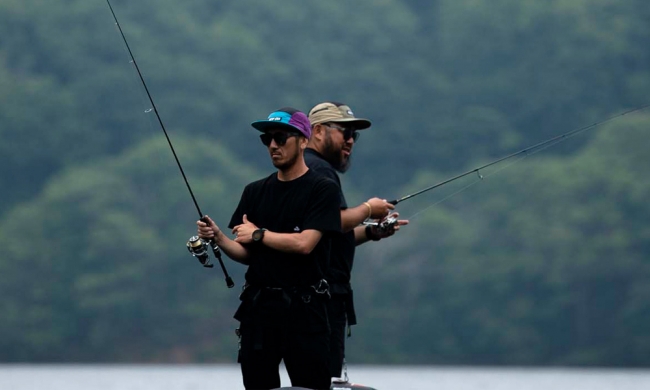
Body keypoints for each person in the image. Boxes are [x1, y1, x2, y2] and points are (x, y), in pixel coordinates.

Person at [197, 107, 341, 390]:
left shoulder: (322, 189)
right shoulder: (254, 191)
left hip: (306, 311)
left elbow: (305, 244)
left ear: (303, 140)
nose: (273, 145)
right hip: (259, 311)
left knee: (311, 386)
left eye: (280, 138)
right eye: (267, 139)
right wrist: (218, 238)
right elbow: (247, 253)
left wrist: (259, 234)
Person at [305, 101, 409, 380]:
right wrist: (367, 209)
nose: (350, 140)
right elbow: (329, 222)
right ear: (317, 131)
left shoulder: (306, 169)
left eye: (355, 135)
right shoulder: (320, 171)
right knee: (321, 381)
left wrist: (373, 231)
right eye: (344, 132)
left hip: (314, 298)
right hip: (322, 300)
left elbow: (328, 234)